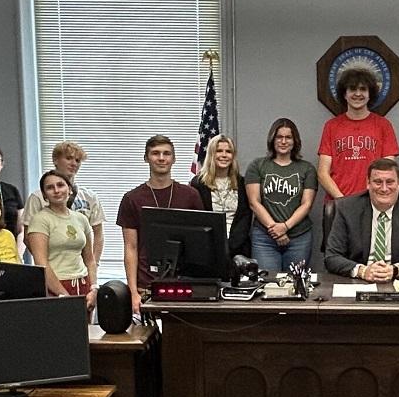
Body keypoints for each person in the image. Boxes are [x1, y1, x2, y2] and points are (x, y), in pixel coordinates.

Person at [117, 135, 204, 313]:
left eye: (167, 153)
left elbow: (201, 243)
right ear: (146, 158)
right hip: (146, 285)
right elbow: (130, 247)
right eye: (155, 153)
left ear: (174, 159)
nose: (161, 158)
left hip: (184, 283)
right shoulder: (132, 198)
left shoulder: (191, 195)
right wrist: (133, 292)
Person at [317, 68, 399, 250]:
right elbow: (322, 173)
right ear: (344, 94)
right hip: (338, 206)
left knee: (373, 257)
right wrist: (343, 201)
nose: (357, 94)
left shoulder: (383, 125)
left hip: (374, 205)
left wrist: (374, 199)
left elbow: (389, 169)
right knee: (336, 258)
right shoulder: (331, 126)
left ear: (370, 94)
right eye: (352, 89)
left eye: (363, 89)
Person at [324, 158, 399, 282]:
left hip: (398, 282)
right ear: (368, 183)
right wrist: (362, 271)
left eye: (390, 182)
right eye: (378, 182)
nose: (384, 188)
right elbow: (332, 257)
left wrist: (395, 270)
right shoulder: (347, 208)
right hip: (358, 280)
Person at [245, 118, 318, 271]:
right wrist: (275, 230)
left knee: (296, 282)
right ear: (272, 139)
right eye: (279, 137)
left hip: (299, 237)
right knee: (267, 281)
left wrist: (285, 227)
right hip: (264, 238)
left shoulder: (307, 169)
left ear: (295, 141)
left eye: (288, 137)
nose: (283, 141)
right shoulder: (257, 166)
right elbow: (254, 202)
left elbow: (307, 204)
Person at [23, 141, 105, 269]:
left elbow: (98, 234)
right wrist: (45, 264)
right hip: (53, 264)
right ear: (55, 160)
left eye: (77, 160)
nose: (73, 163)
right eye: (68, 158)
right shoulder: (38, 197)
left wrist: (93, 265)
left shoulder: (90, 197)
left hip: (81, 267)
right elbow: (28, 236)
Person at [27, 171, 97, 310]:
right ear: (44, 195)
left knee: (85, 325)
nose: (56, 190)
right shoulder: (40, 220)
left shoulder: (81, 219)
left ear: (69, 189)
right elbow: (41, 263)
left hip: (84, 285)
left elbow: (90, 259)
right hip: (56, 287)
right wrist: (64, 296)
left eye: (60, 185)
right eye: (50, 187)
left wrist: (94, 288)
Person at [190, 134, 251, 258]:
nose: (224, 155)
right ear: (211, 154)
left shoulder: (242, 183)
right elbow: (198, 219)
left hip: (238, 248)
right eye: (219, 151)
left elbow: (245, 217)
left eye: (228, 151)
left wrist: (231, 246)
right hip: (208, 247)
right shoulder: (198, 183)